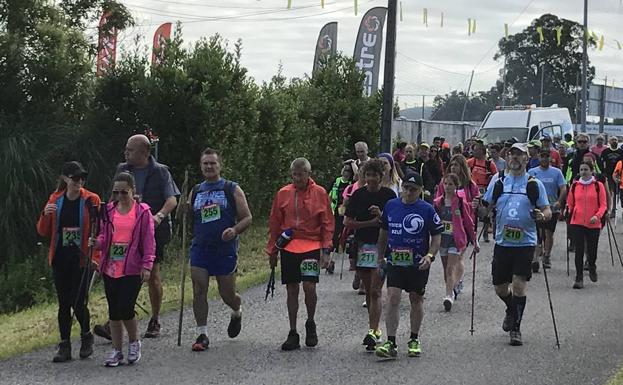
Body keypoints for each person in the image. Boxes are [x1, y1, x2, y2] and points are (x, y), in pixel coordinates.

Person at [94, 134, 180, 341]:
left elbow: (172, 200)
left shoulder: (160, 172)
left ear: (144, 152)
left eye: (130, 150)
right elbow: (114, 197)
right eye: (126, 150)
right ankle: (116, 321)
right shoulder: (122, 170)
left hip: (152, 230)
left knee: (152, 274)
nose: (126, 153)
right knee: (122, 274)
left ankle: (155, 319)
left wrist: (157, 217)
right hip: (124, 231)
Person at [482, 143, 551, 346]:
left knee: (519, 285)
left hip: (525, 242)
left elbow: (547, 210)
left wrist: (541, 216)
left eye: (519, 155)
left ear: (526, 159)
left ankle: (516, 328)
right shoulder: (498, 180)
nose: (515, 158)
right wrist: (479, 207)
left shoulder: (533, 183)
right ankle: (511, 309)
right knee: (500, 288)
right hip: (503, 242)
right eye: (512, 154)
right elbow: (486, 208)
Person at [188, 148, 253, 351]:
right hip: (200, 248)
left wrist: (234, 230)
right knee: (199, 290)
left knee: (227, 294)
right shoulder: (196, 190)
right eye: (205, 163)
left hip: (224, 249)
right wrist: (182, 210)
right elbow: (189, 216)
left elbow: (247, 218)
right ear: (201, 166)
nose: (209, 166)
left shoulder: (231, 188)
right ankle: (202, 334)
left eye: (212, 163)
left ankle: (236, 309)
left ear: (219, 166)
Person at [266, 158, 334, 351]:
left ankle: (310, 322)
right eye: (294, 175)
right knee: (292, 289)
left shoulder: (320, 193)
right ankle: (292, 331)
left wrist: (326, 250)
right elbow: (275, 223)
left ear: (308, 174)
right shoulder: (283, 193)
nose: (297, 178)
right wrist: (272, 250)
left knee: (309, 286)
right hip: (289, 246)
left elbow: (327, 223)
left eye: (300, 174)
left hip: (311, 244)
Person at [374, 171, 442, 359]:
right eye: (406, 188)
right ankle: (391, 342)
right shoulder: (391, 206)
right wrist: (380, 258)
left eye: (413, 189)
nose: (409, 192)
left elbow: (436, 236)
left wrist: (430, 256)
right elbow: (383, 233)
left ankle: (414, 338)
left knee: (416, 299)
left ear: (420, 190)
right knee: (393, 297)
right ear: (401, 188)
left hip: (417, 263)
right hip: (395, 261)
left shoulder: (427, 209)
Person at [37, 161, 101, 363]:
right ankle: (64, 345)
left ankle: (86, 336)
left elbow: (99, 231)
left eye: (82, 178)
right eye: (75, 178)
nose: (79, 181)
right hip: (61, 257)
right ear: (65, 178)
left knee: (78, 301)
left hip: (82, 258)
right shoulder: (55, 199)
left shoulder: (92, 199)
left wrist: (96, 257)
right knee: (64, 303)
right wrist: (45, 214)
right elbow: (43, 231)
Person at [89, 172, 156, 367]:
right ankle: (116, 350)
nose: (120, 196)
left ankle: (134, 342)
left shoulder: (142, 212)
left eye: (124, 192)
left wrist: (147, 265)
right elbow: (103, 237)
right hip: (111, 267)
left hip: (132, 267)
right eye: (116, 192)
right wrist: (96, 243)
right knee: (114, 311)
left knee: (126, 308)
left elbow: (149, 242)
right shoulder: (109, 211)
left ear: (133, 191)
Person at [343, 160, 396, 350]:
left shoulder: (389, 196)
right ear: (364, 177)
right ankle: (373, 328)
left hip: (382, 247)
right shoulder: (358, 195)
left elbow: (393, 222)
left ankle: (373, 331)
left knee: (375, 290)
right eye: (368, 176)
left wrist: (381, 217)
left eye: (375, 176)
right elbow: (348, 222)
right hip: (363, 246)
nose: (371, 179)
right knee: (369, 289)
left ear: (381, 177)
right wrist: (370, 223)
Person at [433, 173, 478, 311]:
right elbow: (432, 222)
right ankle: (452, 290)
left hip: (456, 240)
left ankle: (448, 296)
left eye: (450, 184)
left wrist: (475, 241)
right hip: (442, 240)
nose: (447, 187)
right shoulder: (437, 203)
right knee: (446, 268)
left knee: (450, 268)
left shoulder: (460, 202)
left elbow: (469, 224)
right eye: (445, 184)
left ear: (456, 186)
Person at [567, 162, 607, 289]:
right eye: (581, 169)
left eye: (586, 169)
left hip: (593, 223)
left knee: (591, 250)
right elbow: (570, 203)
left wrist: (598, 216)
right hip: (577, 222)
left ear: (591, 171)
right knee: (579, 250)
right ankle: (579, 278)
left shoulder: (598, 185)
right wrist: (568, 210)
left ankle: (592, 266)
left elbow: (603, 205)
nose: (583, 172)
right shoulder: (575, 185)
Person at [528, 150, 567, 270]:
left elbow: (563, 188)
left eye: (546, 157)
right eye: (542, 157)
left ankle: (547, 255)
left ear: (550, 158)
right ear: (538, 157)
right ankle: (535, 257)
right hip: (537, 207)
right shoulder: (532, 172)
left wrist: (559, 202)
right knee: (538, 233)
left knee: (549, 233)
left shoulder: (557, 172)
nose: (544, 159)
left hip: (552, 207)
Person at [467, 140, 497, 242]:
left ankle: (485, 232)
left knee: (485, 212)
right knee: (472, 212)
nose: (473, 152)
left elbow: (496, 177)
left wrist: (490, 177)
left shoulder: (489, 164)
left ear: (482, 151)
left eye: (476, 150)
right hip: (473, 190)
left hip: (485, 190)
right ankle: (472, 233)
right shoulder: (471, 162)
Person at [328, 160, 354, 254]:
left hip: (348, 211)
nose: (346, 172)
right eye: (345, 170)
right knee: (335, 232)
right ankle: (334, 250)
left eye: (348, 171)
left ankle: (345, 250)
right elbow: (328, 195)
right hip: (336, 210)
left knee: (346, 232)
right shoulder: (336, 181)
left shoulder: (352, 182)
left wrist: (353, 163)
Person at [600, 136, 623, 218]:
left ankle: (614, 209)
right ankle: (609, 209)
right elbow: (601, 163)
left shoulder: (621, 152)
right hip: (608, 175)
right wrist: (603, 173)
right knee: (609, 192)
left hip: (618, 175)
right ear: (609, 141)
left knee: (618, 193)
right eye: (613, 140)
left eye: (616, 140)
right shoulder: (605, 151)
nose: (614, 141)